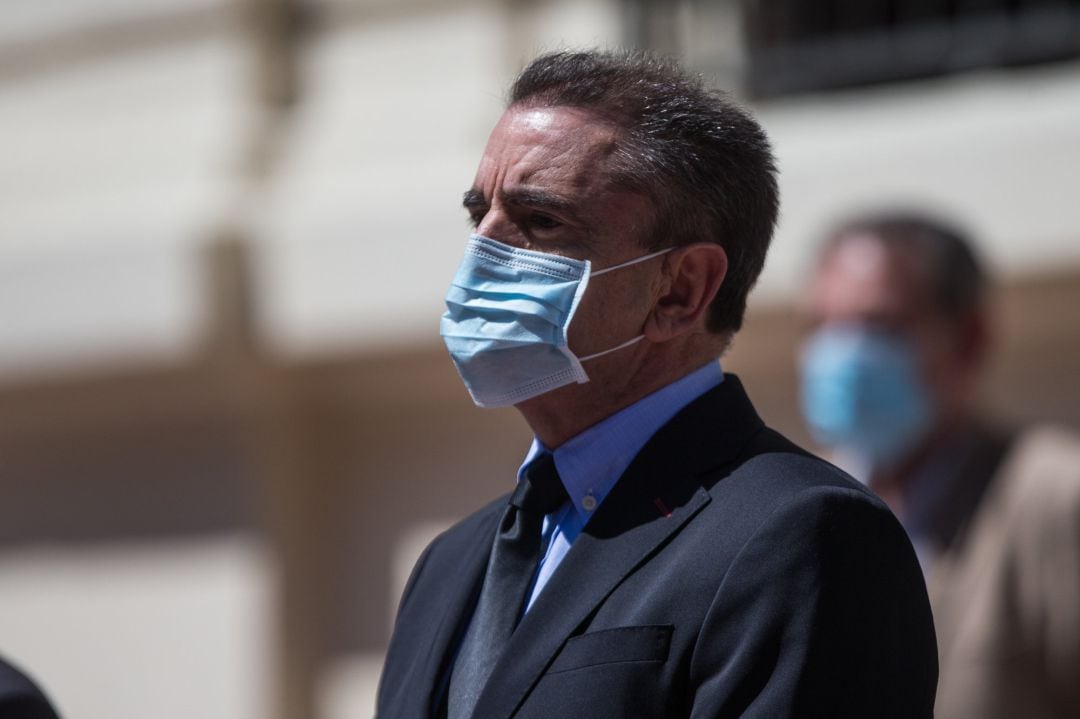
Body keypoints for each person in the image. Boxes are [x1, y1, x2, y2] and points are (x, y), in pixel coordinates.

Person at [377, 50, 937, 719]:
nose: (484, 253)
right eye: (481, 217)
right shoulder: (449, 564)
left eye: (540, 221)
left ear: (680, 289)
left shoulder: (801, 534)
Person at [800, 212, 1080, 718]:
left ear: (969, 338)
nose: (841, 355)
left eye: (878, 326)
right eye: (823, 325)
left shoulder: (1054, 497)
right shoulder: (796, 505)